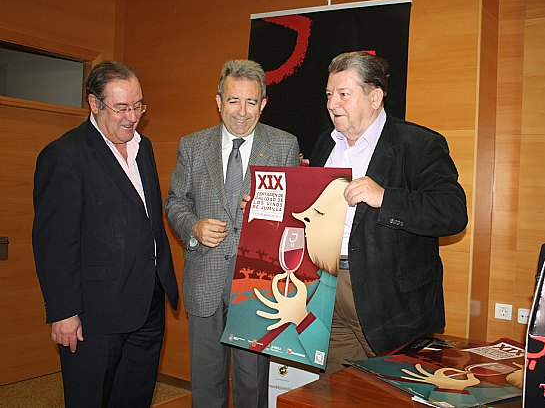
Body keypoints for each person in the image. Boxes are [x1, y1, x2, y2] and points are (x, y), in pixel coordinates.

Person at [32, 61, 179, 407]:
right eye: (121, 107)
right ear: (94, 104)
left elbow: (147, 222)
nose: (132, 117)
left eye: (138, 106)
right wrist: (63, 311)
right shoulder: (65, 156)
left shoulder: (144, 149)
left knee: (135, 398)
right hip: (94, 316)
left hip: (146, 306)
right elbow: (55, 243)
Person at [311, 51, 468, 373]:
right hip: (327, 289)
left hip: (392, 302)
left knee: (390, 393)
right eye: (329, 94)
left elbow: (453, 212)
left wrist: (385, 197)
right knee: (338, 391)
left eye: (343, 94)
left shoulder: (418, 143)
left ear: (375, 97)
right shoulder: (325, 145)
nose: (332, 104)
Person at [164, 59, 300, 407]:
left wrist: (267, 212)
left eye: (251, 102)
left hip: (257, 284)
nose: (241, 111)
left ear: (264, 104)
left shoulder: (285, 145)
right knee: (207, 385)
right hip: (204, 279)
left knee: (252, 385)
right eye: (233, 100)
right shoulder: (193, 146)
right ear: (219, 100)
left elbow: (296, 218)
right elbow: (175, 202)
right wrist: (193, 226)